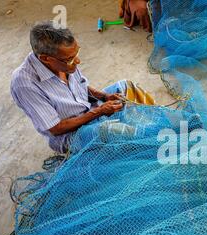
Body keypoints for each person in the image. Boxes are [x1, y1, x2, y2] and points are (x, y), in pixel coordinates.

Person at [11, 22, 142, 153]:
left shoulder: (62, 60)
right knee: (114, 131)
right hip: (70, 134)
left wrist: (104, 96)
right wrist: (98, 112)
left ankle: (147, 129)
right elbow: (55, 128)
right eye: (70, 59)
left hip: (90, 108)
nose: (77, 61)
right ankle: (148, 143)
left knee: (128, 87)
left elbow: (81, 85)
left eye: (77, 52)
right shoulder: (24, 84)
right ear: (46, 59)